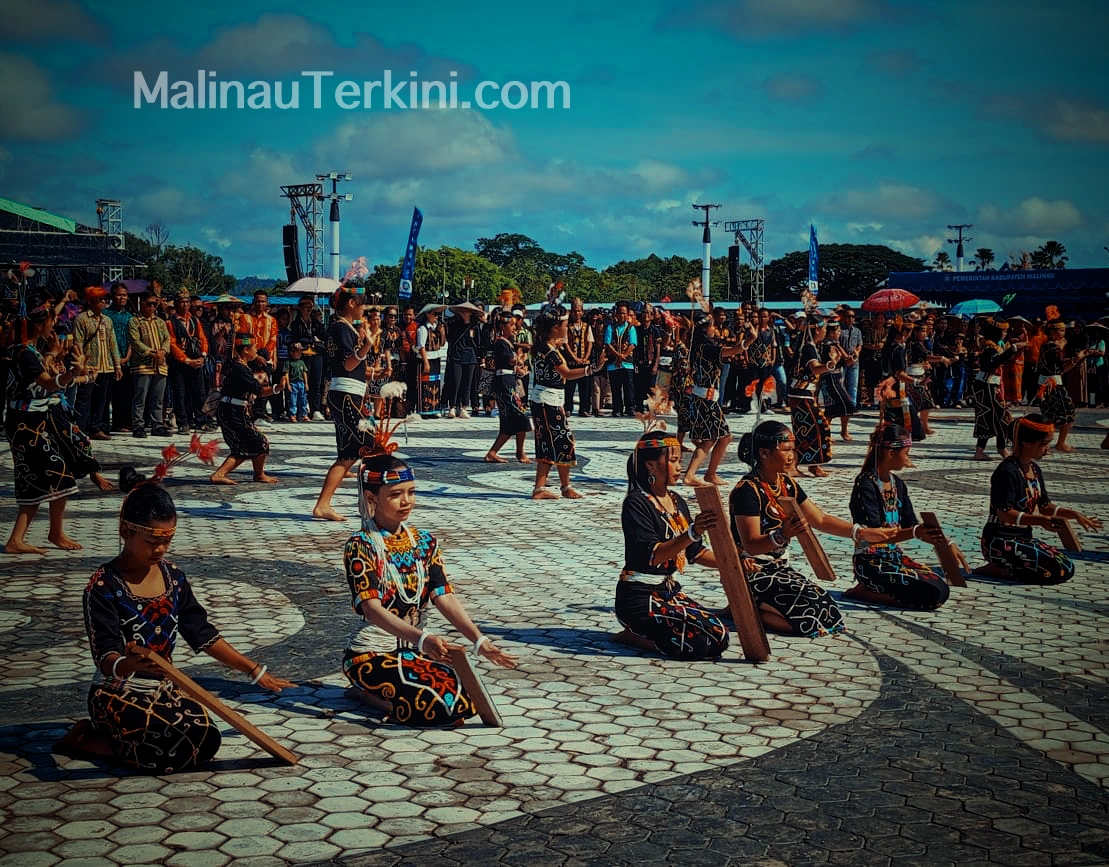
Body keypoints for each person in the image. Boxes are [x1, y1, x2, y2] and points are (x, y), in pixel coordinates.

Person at [65, 473, 295, 772]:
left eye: (167, 541)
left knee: (205, 738)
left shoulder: (173, 577)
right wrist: (130, 665)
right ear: (125, 531)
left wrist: (253, 669)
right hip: (117, 692)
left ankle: (124, 742)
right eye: (151, 542)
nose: (160, 550)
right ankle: (87, 740)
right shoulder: (103, 587)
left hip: (165, 688)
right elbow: (106, 656)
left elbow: (202, 634)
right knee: (162, 746)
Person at [343, 452, 518, 725]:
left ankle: (386, 698)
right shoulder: (361, 545)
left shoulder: (424, 542)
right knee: (435, 706)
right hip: (372, 653)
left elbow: (443, 595)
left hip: (413, 649)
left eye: (411, 492)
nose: (406, 501)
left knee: (464, 698)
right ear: (371, 498)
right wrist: (421, 638)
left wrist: (479, 641)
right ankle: (366, 695)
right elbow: (372, 611)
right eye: (395, 494)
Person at [729, 421, 897, 636]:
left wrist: (860, 533)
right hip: (753, 570)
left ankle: (755, 607)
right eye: (787, 449)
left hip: (779, 568)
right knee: (807, 622)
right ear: (764, 453)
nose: (792, 455)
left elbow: (819, 518)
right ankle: (740, 609)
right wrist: (782, 535)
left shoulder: (786, 483)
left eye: (792, 449)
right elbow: (751, 544)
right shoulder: (747, 490)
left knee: (828, 611)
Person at [615, 431, 730, 659]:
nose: (679, 467)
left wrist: (733, 562)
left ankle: (648, 633)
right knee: (695, 645)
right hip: (638, 595)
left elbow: (694, 553)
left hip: (668, 592)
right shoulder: (636, 503)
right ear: (650, 465)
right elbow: (653, 555)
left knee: (719, 637)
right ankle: (631, 635)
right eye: (673, 460)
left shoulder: (677, 501)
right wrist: (692, 532)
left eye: (679, 460)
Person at [4, 296, 103, 554]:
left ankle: (16, 540)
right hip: (25, 424)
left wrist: (53, 354)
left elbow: (43, 375)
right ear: (41, 324)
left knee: (33, 481)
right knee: (60, 474)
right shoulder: (25, 353)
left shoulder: (28, 350)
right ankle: (55, 533)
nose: (55, 323)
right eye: (52, 319)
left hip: (32, 422)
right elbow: (48, 384)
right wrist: (73, 372)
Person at [979, 414, 1101, 583]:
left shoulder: (1034, 469)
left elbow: (1045, 506)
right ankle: (996, 568)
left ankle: (1009, 568)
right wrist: (1041, 521)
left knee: (1065, 566)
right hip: (999, 541)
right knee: (1052, 571)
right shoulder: (1007, 472)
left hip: (1022, 538)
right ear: (1026, 442)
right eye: (1044, 444)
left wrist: (1074, 514)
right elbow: (1005, 514)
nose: (1047, 449)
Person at [846, 424, 950, 610]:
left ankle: (877, 590)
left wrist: (945, 544)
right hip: (871, 562)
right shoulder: (865, 484)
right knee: (928, 596)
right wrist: (916, 532)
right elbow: (877, 533)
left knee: (940, 588)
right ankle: (865, 591)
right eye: (906, 452)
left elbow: (911, 524)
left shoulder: (898, 484)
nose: (908, 458)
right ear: (891, 453)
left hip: (894, 557)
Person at [313, 290, 378, 520]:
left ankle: (324, 504)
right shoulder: (341, 328)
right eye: (362, 304)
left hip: (348, 394)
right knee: (370, 444)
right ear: (351, 303)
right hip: (346, 396)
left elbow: (350, 366)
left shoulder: (341, 328)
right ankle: (371, 502)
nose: (364, 309)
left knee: (349, 452)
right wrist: (367, 345)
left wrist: (370, 370)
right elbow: (348, 364)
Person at [529, 304, 593, 500]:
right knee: (562, 441)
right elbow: (565, 373)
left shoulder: (544, 347)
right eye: (564, 325)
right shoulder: (550, 351)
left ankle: (553, 487)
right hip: (548, 400)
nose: (567, 328)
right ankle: (556, 488)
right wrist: (590, 370)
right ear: (555, 328)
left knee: (550, 443)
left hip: (544, 399)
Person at [209, 332, 285, 485]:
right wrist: (278, 388)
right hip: (232, 412)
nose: (256, 351)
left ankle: (259, 474)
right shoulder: (240, 369)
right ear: (245, 350)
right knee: (254, 443)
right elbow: (261, 391)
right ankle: (220, 474)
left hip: (236, 411)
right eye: (254, 348)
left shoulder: (238, 365)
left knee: (253, 444)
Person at [682, 310, 747, 486]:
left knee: (713, 437)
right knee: (720, 437)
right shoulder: (708, 348)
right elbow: (734, 350)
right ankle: (696, 474)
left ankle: (708, 473)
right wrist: (749, 339)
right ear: (705, 328)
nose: (715, 328)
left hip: (701, 396)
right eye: (712, 325)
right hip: (707, 399)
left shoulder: (697, 347)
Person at [72, 285, 122, 440]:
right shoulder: (81, 319)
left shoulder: (107, 320)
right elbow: (77, 344)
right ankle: (80, 429)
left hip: (105, 365)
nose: (104, 302)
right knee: (84, 399)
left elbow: (112, 343)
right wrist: (82, 365)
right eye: (100, 299)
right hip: (90, 366)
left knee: (102, 400)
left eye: (104, 299)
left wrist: (117, 365)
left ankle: (96, 428)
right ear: (91, 301)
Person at [788, 315, 836, 477]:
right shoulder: (808, 348)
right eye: (823, 329)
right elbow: (814, 369)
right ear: (817, 330)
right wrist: (830, 364)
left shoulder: (811, 347)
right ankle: (797, 466)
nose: (825, 332)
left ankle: (813, 465)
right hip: (800, 394)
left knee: (811, 428)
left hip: (803, 393)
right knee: (816, 426)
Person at [484, 309, 532, 464]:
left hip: (509, 381)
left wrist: (519, 369)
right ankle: (494, 452)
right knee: (518, 418)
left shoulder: (508, 343)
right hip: (503, 384)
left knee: (516, 420)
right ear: (503, 326)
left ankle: (518, 452)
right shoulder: (500, 342)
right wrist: (519, 358)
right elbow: (509, 361)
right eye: (511, 325)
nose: (514, 328)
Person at [972, 318, 1022, 461]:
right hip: (985, 386)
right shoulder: (989, 348)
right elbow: (990, 365)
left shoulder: (994, 346)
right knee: (998, 416)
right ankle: (1000, 448)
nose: (1005, 334)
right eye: (1003, 331)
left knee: (991, 417)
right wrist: (1008, 352)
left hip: (990, 385)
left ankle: (985, 450)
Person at [1034, 319, 1085, 453]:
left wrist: (1073, 360)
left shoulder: (1049, 346)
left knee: (1049, 415)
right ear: (1052, 332)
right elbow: (1060, 367)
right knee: (1069, 412)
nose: (1064, 333)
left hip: (1046, 383)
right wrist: (1076, 359)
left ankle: (1044, 444)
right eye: (1061, 330)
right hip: (1053, 385)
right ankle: (1060, 442)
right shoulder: (1052, 347)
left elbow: (1058, 367)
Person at [128, 291, 172, 438]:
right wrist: (152, 353)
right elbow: (135, 341)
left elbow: (167, 339)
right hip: (143, 364)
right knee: (140, 397)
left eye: (155, 304)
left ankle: (157, 424)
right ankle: (138, 425)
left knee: (158, 397)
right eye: (149, 304)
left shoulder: (160, 322)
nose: (152, 307)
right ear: (142, 304)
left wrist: (163, 352)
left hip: (160, 364)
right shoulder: (135, 321)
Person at [444, 302, 481, 419]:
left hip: (470, 358)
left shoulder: (475, 326)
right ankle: (453, 406)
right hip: (456, 357)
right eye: (463, 311)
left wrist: (471, 337)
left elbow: (477, 343)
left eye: (467, 312)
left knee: (467, 384)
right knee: (455, 382)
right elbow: (450, 339)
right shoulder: (454, 324)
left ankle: (464, 407)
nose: (465, 314)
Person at [603, 301, 637, 417]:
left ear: (627, 314)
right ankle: (617, 408)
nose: (622, 316)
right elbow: (607, 344)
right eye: (619, 313)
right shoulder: (610, 327)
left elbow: (633, 344)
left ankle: (630, 407)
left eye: (624, 313)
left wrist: (623, 356)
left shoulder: (631, 328)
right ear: (616, 314)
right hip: (613, 363)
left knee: (629, 387)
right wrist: (618, 355)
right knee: (615, 387)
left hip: (627, 363)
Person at [416, 304, 447, 418]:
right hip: (426, 358)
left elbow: (442, 344)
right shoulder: (422, 328)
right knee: (425, 383)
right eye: (434, 314)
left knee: (435, 383)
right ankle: (424, 409)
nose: (436, 317)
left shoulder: (436, 328)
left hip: (436, 358)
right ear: (428, 314)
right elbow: (421, 346)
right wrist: (426, 362)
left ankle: (434, 409)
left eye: (438, 314)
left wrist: (442, 332)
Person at [285, 342, 310, 422]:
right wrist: (288, 384)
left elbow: (304, 373)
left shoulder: (301, 362)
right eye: (297, 352)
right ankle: (293, 415)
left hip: (301, 383)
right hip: (293, 383)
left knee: (303, 399)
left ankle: (304, 414)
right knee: (293, 400)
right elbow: (286, 374)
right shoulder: (288, 363)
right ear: (291, 352)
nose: (300, 354)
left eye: (300, 352)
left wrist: (306, 383)